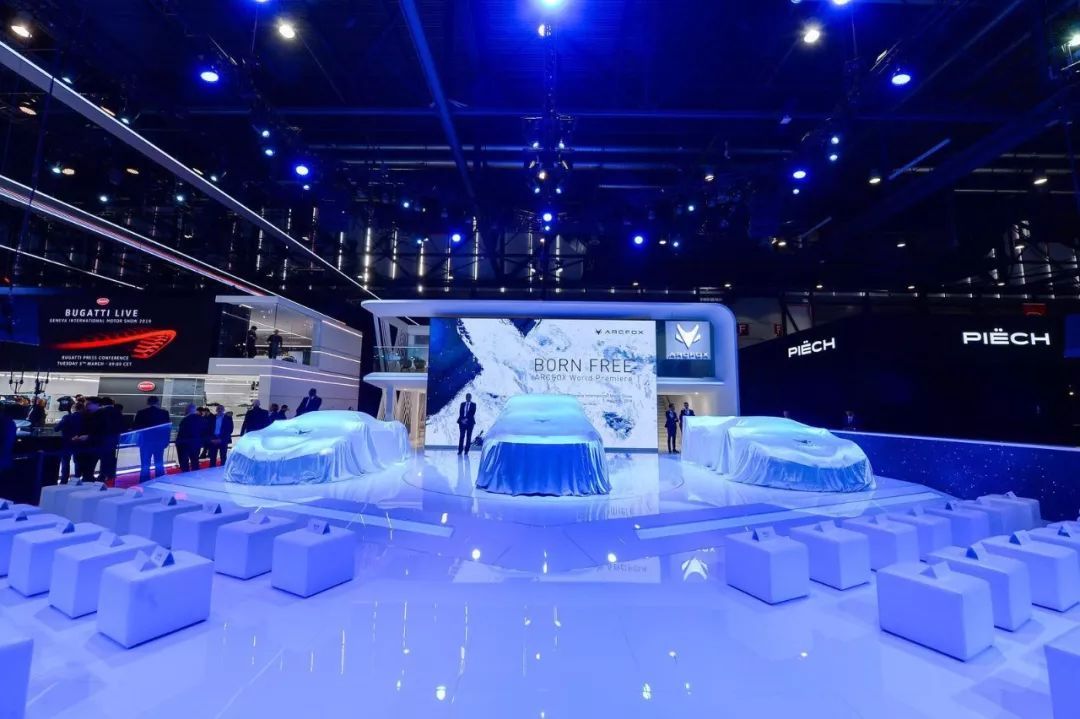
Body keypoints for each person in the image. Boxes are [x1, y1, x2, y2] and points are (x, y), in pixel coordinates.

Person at [132, 397, 171, 482]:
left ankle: (144, 482)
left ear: (148, 402)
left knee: (145, 464)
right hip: (159, 442)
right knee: (159, 462)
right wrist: (166, 441)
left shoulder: (141, 413)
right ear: (158, 402)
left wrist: (137, 441)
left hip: (145, 442)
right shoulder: (164, 413)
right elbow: (167, 428)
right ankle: (160, 481)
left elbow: (136, 428)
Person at [96, 397, 124, 484]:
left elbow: (97, 425)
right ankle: (111, 474)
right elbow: (122, 425)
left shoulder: (100, 412)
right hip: (114, 438)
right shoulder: (117, 412)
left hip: (102, 438)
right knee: (111, 456)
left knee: (103, 457)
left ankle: (102, 475)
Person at [56, 400, 85, 483]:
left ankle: (64, 480)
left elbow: (57, 428)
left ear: (73, 408)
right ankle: (77, 479)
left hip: (67, 442)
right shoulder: (85, 419)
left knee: (65, 461)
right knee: (78, 461)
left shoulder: (67, 417)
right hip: (80, 442)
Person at [175, 403, 203, 472]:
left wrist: (178, 442)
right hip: (195, 444)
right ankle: (195, 477)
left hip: (184, 445)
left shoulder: (185, 420)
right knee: (195, 463)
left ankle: (186, 477)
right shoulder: (200, 419)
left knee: (184, 464)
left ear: (187, 410)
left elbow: (182, 433)